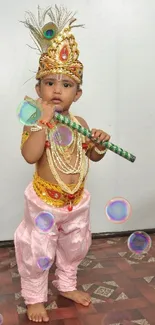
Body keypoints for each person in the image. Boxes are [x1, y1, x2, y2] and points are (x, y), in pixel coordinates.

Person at [14, 5, 110, 323]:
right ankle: (35, 297)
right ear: (38, 89)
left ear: (77, 93)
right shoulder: (35, 121)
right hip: (45, 201)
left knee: (75, 244)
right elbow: (30, 155)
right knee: (38, 250)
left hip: (75, 201)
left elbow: (90, 157)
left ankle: (66, 283)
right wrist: (41, 123)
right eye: (50, 83)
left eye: (66, 85)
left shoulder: (79, 121)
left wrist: (98, 146)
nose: (57, 89)